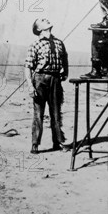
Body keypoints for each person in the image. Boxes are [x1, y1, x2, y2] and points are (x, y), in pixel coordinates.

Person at [25, 18, 69, 154]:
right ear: (38, 29)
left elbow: (65, 58)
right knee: (38, 113)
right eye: (43, 21)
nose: (47, 20)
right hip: (40, 79)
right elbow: (27, 67)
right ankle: (35, 144)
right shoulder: (35, 44)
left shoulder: (59, 43)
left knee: (56, 113)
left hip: (55, 80)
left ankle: (58, 143)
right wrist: (30, 86)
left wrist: (65, 72)